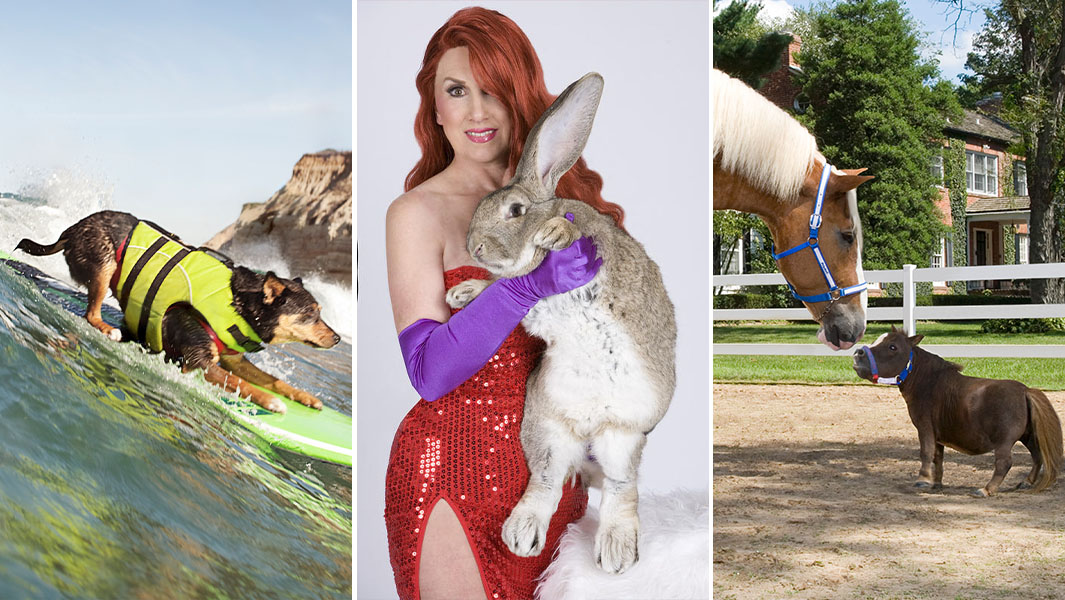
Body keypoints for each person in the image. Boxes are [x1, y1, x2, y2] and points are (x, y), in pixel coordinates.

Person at [383, 7, 626, 600]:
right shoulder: (417, 214)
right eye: (456, 90)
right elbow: (430, 373)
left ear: (520, 98)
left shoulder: (566, 211)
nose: (475, 110)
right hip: (450, 468)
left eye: (493, 89)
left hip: (554, 485)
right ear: (433, 108)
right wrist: (526, 288)